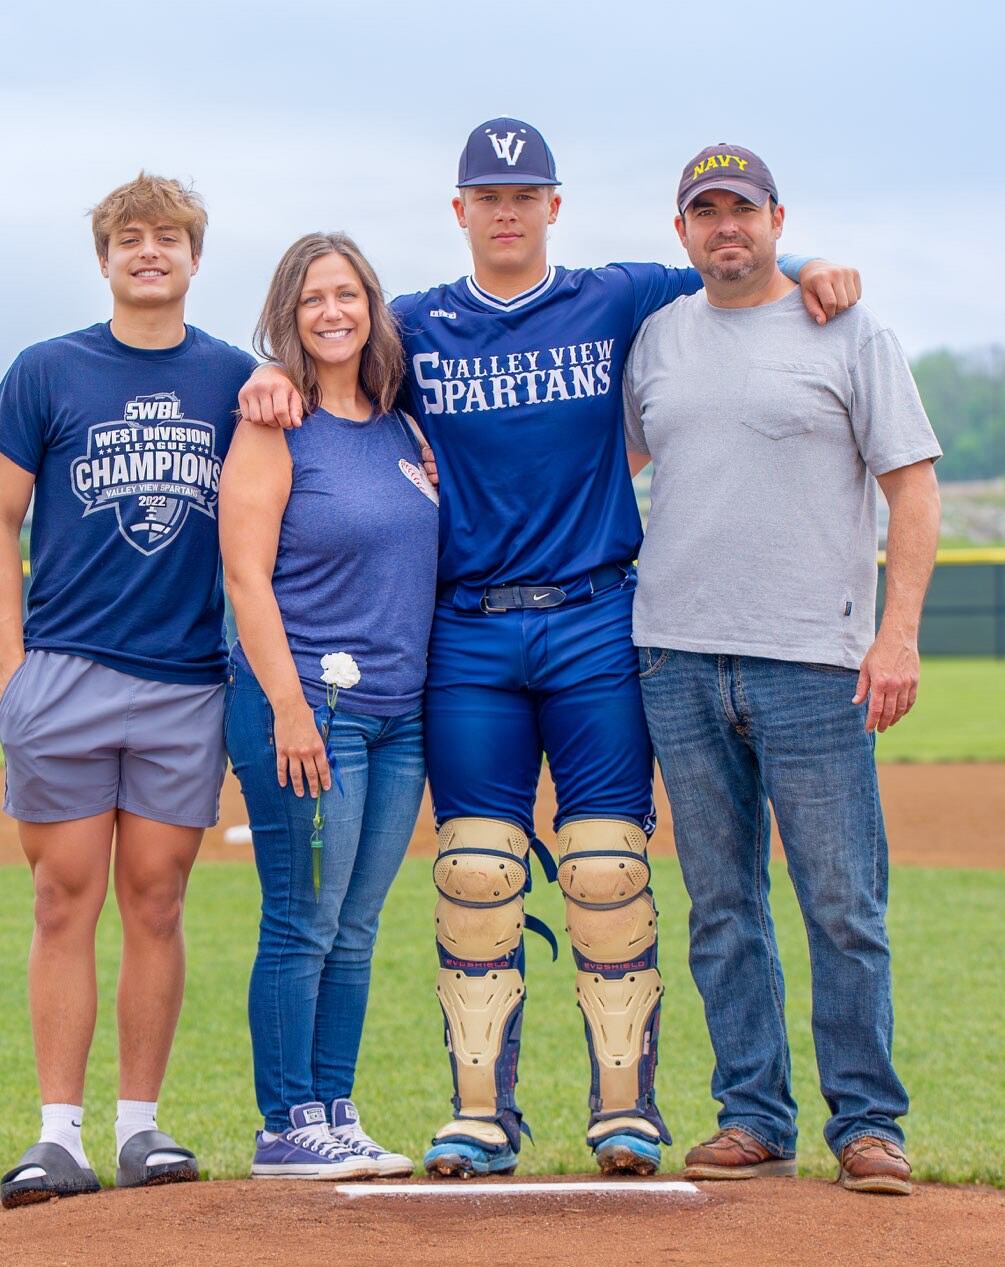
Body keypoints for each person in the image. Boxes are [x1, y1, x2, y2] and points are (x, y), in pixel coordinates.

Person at [238, 118, 862, 1178]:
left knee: (607, 865)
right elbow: (326, 357)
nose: (508, 209)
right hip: (469, 628)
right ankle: (481, 1114)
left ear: (554, 204)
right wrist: (267, 383)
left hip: (590, 617)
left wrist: (814, 262)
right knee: (476, 871)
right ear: (461, 211)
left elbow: (733, 257)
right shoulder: (413, 326)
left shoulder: (612, 296)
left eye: (525, 193)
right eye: (488, 195)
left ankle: (626, 1109)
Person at [623, 144, 942, 1196]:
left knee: (842, 900)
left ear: (775, 219)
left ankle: (868, 1121)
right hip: (675, 651)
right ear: (681, 232)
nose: (726, 228)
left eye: (743, 211)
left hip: (814, 659)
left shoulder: (845, 326)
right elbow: (609, 466)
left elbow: (913, 490)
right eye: (704, 212)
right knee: (720, 906)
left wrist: (896, 636)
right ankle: (752, 1114)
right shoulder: (657, 340)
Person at [0, 173, 255, 1207]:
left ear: (192, 258)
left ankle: (141, 1126)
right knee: (63, 895)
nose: (149, 251)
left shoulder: (231, 375)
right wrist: (12, 667)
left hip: (184, 681)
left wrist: (278, 389)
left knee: (157, 897)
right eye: (130, 238)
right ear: (104, 259)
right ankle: (58, 1135)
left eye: (168, 237)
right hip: (68, 669)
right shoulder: (47, 370)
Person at [220, 233, 438, 1181]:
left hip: (400, 713)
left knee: (355, 922)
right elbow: (244, 575)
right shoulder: (274, 424)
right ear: (288, 314)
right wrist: (287, 706)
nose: (333, 312)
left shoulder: (403, 428)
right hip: (308, 708)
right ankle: (284, 1121)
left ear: (372, 305)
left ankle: (333, 1109)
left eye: (348, 294)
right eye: (313, 299)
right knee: (303, 917)